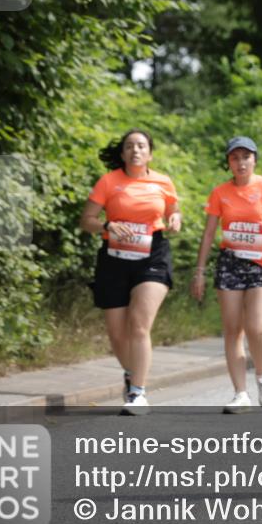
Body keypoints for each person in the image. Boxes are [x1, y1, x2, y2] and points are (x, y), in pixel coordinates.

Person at [80, 129, 182, 415]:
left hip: (153, 254)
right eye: (129, 146)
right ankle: (130, 372)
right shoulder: (109, 182)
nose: (135, 151)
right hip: (114, 256)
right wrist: (104, 226)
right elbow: (86, 219)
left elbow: (174, 211)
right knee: (116, 332)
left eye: (141, 146)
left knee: (139, 325)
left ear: (149, 153)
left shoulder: (162, 181)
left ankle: (137, 392)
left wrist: (175, 219)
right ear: (123, 153)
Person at [192, 137, 262, 413]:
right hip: (230, 263)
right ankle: (240, 393)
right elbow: (209, 233)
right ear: (228, 163)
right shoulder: (220, 193)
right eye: (235, 158)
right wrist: (199, 271)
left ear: (255, 159)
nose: (241, 162)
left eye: (246, 156)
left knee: (256, 327)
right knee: (233, 329)